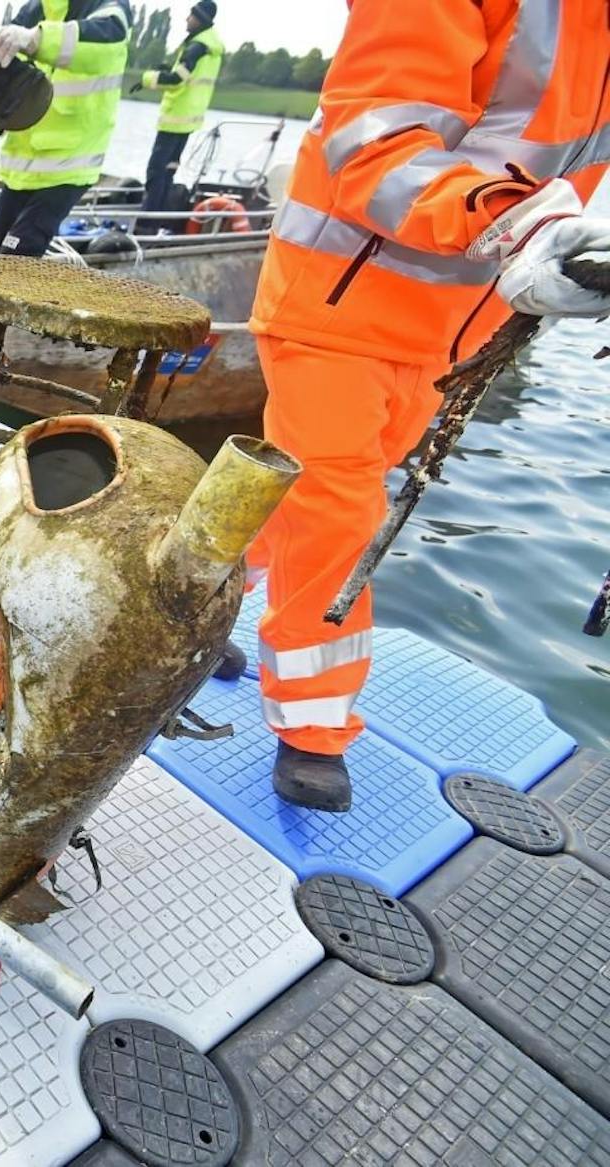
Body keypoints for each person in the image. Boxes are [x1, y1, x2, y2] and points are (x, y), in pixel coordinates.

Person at [247, 0, 610, 812]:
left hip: (451, 336)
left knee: (296, 501)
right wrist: (513, 219)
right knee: (340, 510)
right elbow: (374, 143)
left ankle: (192, 606)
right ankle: (312, 728)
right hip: (338, 305)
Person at [0, 0, 133, 257]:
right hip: (22, 166)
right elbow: (0, 58)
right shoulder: (37, 7)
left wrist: (36, 39)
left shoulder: (109, 9)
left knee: (16, 255)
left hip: (68, 163)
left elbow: (103, 40)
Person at [134, 0, 223, 224]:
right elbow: (186, 74)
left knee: (156, 172)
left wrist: (147, 79)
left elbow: (177, 80)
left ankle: (146, 223)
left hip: (175, 118)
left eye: (191, 16)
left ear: (200, 19)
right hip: (188, 119)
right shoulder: (209, 46)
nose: (187, 19)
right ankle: (158, 218)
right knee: (169, 170)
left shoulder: (197, 46)